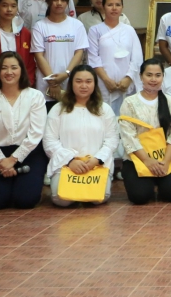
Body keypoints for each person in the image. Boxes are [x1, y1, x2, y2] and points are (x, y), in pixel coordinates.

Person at [0, 52, 49, 210]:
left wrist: (14, 159)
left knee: (25, 201)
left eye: (14, 68)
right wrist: (0, 161)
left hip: (29, 154)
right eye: (4, 68)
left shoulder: (35, 96)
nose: (9, 72)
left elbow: (36, 133)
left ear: (21, 70)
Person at [43, 65, 119, 206]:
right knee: (62, 200)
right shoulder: (58, 109)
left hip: (96, 166)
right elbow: (49, 141)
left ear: (95, 84)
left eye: (88, 81)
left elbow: (112, 140)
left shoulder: (104, 109)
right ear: (71, 83)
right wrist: (71, 161)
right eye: (78, 81)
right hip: (66, 165)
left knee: (98, 198)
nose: (83, 85)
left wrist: (96, 160)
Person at [119, 59, 171, 204]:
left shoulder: (170, 101)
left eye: (158, 75)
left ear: (163, 77)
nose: (153, 79)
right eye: (149, 75)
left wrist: (166, 162)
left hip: (166, 157)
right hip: (138, 158)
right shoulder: (130, 102)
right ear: (141, 76)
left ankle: (161, 182)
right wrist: (147, 161)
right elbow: (129, 137)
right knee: (140, 197)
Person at [31, 0, 88, 107]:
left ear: (67, 2)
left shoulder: (77, 25)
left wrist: (67, 73)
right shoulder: (39, 26)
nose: (59, 3)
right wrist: (53, 82)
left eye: (63, 0)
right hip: (46, 88)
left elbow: (79, 53)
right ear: (48, 1)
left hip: (70, 84)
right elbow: (38, 56)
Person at [88, 0, 142, 115]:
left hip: (126, 83)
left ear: (122, 7)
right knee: (104, 117)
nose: (114, 8)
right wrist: (106, 80)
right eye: (110, 5)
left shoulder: (129, 30)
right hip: (103, 83)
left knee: (126, 118)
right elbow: (93, 58)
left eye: (117, 5)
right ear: (103, 6)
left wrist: (128, 79)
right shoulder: (95, 30)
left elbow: (137, 57)